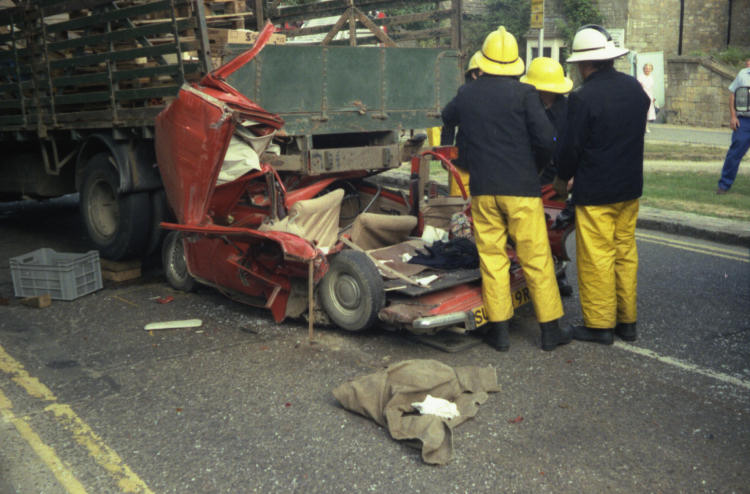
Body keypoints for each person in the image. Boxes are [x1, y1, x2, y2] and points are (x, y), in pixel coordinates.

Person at [441, 27, 569, 352]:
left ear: (484, 60)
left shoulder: (468, 92)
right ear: (514, 63)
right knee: (536, 257)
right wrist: (535, 167)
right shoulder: (525, 93)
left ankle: (499, 332)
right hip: (522, 188)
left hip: (484, 188)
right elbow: (545, 140)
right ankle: (550, 331)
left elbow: (447, 116)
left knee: (492, 257)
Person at [553, 25, 650, 345]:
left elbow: (570, 148)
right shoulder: (635, 89)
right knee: (624, 253)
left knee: (597, 257)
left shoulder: (582, 98)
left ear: (585, 64)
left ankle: (599, 326)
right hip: (629, 188)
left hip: (596, 191)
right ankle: (627, 321)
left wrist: (561, 178)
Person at [520, 56, 575, 297]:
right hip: (531, 175)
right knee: (529, 230)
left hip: (558, 177)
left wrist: (572, 175)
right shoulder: (526, 107)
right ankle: (526, 276)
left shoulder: (568, 110)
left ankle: (559, 275)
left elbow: (575, 144)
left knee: (554, 230)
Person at [440, 50, 482, 195]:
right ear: (474, 74)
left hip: (484, 170)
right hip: (464, 167)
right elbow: (448, 119)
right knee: (460, 209)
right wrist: (446, 152)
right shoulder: (464, 95)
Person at [717, 57, 750, 194]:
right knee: (734, 154)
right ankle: (724, 185)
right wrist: (733, 116)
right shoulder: (743, 74)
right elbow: (732, 94)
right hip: (744, 121)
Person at [638, 63, 656, 132]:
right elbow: (638, 88)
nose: (647, 70)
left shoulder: (651, 77)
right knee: (643, 112)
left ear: (651, 70)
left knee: (648, 112)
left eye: (649, 69)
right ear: (643, 69)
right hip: (642, 96)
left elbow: (651, 88)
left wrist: (653, 97)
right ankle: (641, 127)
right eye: (646, 69)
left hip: (649, 96)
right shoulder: (640, 77)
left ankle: (646, 127)